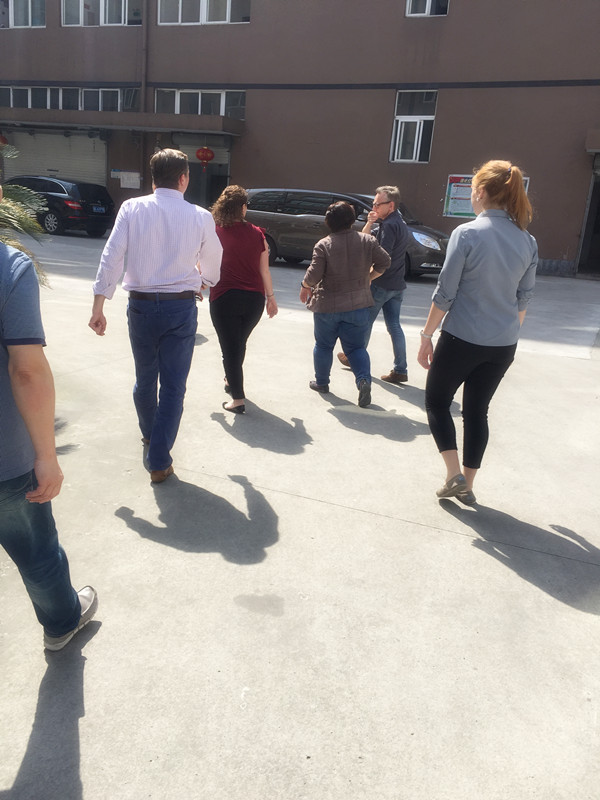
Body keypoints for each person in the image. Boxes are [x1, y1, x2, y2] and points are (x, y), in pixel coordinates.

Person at [0, 188, 98, 651]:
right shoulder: (9, 268)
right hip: (6, 460)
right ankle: (61, 624)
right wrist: (46, 456)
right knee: (37, 552)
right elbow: (26, 370)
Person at [89, 149, 222, 482]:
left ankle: (150, 435)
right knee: (174, 387)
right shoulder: (200, 216)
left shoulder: (132, 208)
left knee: (145, 379)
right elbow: (214, 262)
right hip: (180, 308)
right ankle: (159, 460)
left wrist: (99, 304)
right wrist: (203, 282)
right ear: (183, 178)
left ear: (152, 180)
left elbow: (111, 255)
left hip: (141, 306)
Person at [417, 159, 538, 504]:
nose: (472, 196)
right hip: (503, 343)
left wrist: (426, 336)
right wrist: (507, 332)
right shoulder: (527, 240)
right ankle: (467, 485)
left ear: (481, 192)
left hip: (461, 338)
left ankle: (453, 473)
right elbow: (524, 297)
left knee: (437, 401)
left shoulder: (467, 233)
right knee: (476, 411)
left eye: (472, 190)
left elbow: (445, 292)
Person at [300, 201, 390, 408]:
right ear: (351, 220)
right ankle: (363, 380)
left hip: (327, 306)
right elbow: (385, 262)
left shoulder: (324, 244)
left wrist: (305, 285)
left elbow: (314, 274)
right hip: (358, 305)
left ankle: (322, 382)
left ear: (329, 222)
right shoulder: (367, 240)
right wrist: (369, 277)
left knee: (323, 345)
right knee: (356, 348)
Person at [209, 185, 278, 414]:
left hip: (224, 297)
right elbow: (264, 270)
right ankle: (231, 380)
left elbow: (205, 263)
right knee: (238, 343)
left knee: (230, 349)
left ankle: (237, 400)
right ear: (243, 208)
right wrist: (271, 298)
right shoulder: (258, 234)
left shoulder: (215, 231)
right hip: (254, 300)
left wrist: (199, 283)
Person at [337, 185, 410, 384]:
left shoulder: (390, 225)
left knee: (365, 322)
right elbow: (365, 238)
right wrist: (370, 222)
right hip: (397, 284)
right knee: (394, 326)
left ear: (391, 205)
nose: (374, 207)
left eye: (378, 204)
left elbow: (382, 257)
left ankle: (354, 358)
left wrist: (369, 277)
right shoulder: (398, 222)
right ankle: (400, 369)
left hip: (382, 283)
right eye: (373, 203)